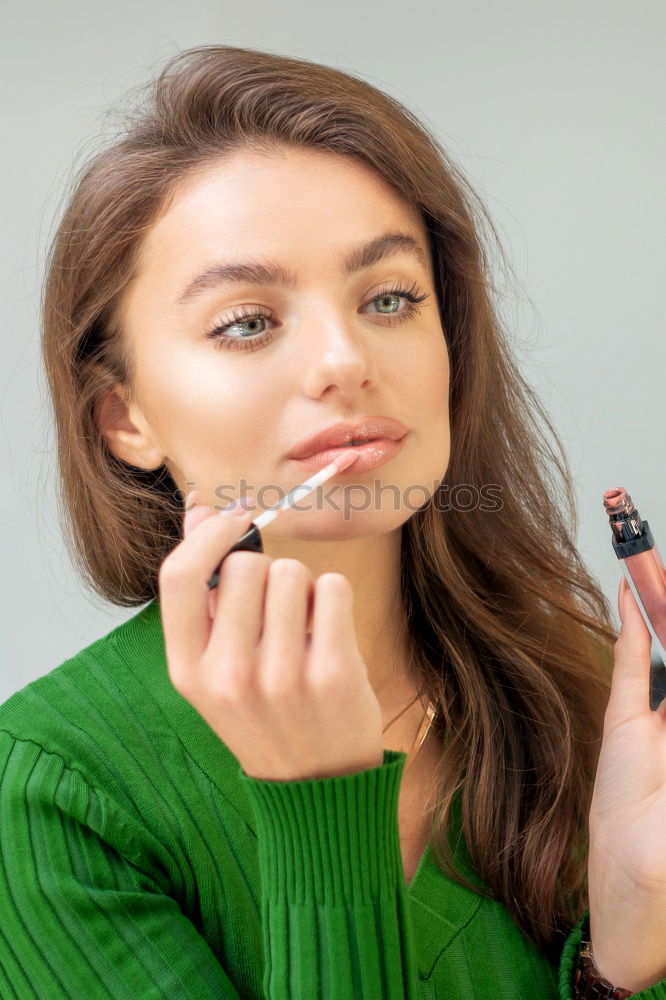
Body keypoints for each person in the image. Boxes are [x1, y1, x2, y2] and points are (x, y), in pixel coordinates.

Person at [1, 44, 659, 999]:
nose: (345, 360)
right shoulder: (50, 794)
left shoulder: (591, 699)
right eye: (247, 321)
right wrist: (320, 810)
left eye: (389, 298)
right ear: (124, 417)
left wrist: (625, 966)